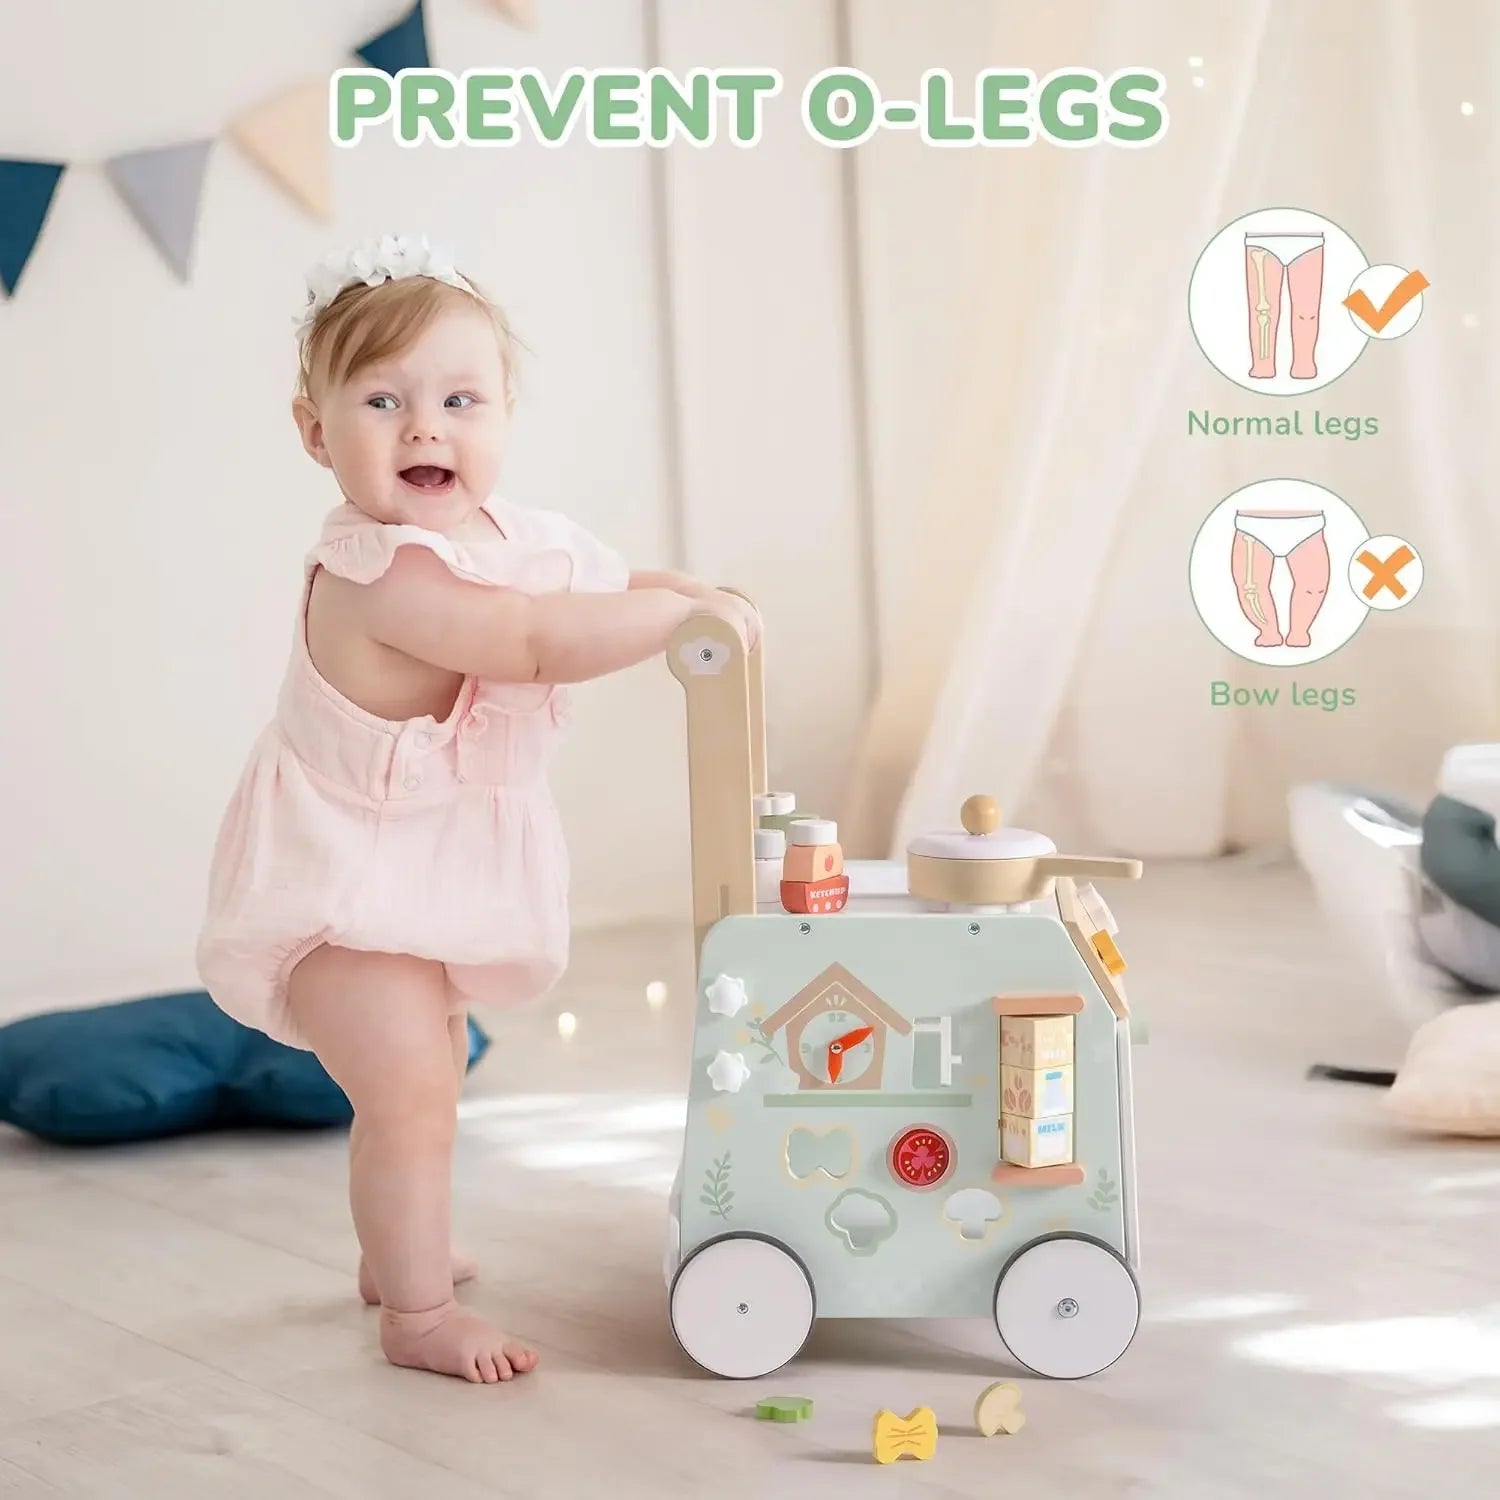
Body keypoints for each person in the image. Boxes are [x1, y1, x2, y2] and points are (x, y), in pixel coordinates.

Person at [197, 235, 757, 1383]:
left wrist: (686, 594)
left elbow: (591, 592)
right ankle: (414, 1320)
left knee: (431, 1074)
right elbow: (534, 641)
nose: (425, 428)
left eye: (460, 399)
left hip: (429, 874)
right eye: (383, 399)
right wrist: (667, 626)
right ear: (316, 432)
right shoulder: (382, 577)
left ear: (503, 414)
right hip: (341, 884)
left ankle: (393, 1248)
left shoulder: (516, 539)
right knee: (409, 1093)